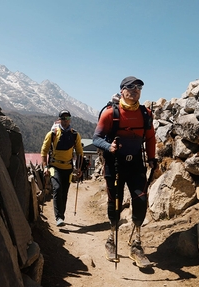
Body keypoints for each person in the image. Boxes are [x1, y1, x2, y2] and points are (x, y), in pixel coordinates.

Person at [92, 76, 157, 267]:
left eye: (139, 87)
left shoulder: (146, 114)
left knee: (141, 200)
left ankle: (136, 245)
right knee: (115, 201)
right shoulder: (110, 113)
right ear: (122, 90)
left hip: (136, 164)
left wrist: (152, 158)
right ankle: (111, 239)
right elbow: (96, 138)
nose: (135, 90)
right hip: (115, 165)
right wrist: (108, 146)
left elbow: (151, 138)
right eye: (131, 87)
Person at [41, 110, 84, 227]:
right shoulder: (53, 133)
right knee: (57, 188)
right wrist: (45, 167)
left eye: (67, 117)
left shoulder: (75, 135)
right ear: (59, 119)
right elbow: (44, 151)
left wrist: (79, 168)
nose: (65, 120)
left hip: (68, 168)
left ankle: (61, 217)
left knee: (64, 192)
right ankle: (58, 217)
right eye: (63, 118)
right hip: (54, 166)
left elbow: (80, 153)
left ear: (70, 119)